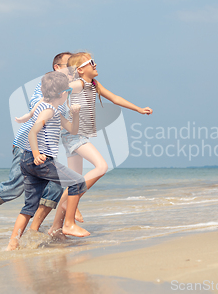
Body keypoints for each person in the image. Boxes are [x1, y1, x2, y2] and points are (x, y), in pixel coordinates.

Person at [0, 52, 73, 236]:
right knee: (15, 186)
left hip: (45, 150)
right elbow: (35, 103)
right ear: (57, 68)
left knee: (56, 186)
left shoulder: (67, 93)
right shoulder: (48, 86)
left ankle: (34, 231)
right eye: (70, 64)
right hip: (27, 145)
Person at [43, 52, 153, 236]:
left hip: (76, 136)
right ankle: (69, 219)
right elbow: (58, 91)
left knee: (73, 182)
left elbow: (115, 98)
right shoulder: (77, 84)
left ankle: (56, 229)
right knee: (101, 166)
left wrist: (139, 109)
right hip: (74, 136)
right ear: (80, 69)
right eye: (91, 62)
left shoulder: (93, 84)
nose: (95, 64)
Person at [6, 72, 89, 250]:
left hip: (27, 161)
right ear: (62, 94)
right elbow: (32, 132)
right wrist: (37, 154)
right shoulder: (50, 110)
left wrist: (75, 115)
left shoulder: (45, 107)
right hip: (40, 159)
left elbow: (72, 130)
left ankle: (13, 242)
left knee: (30, 206)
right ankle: (68, 224)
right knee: (78, 182)